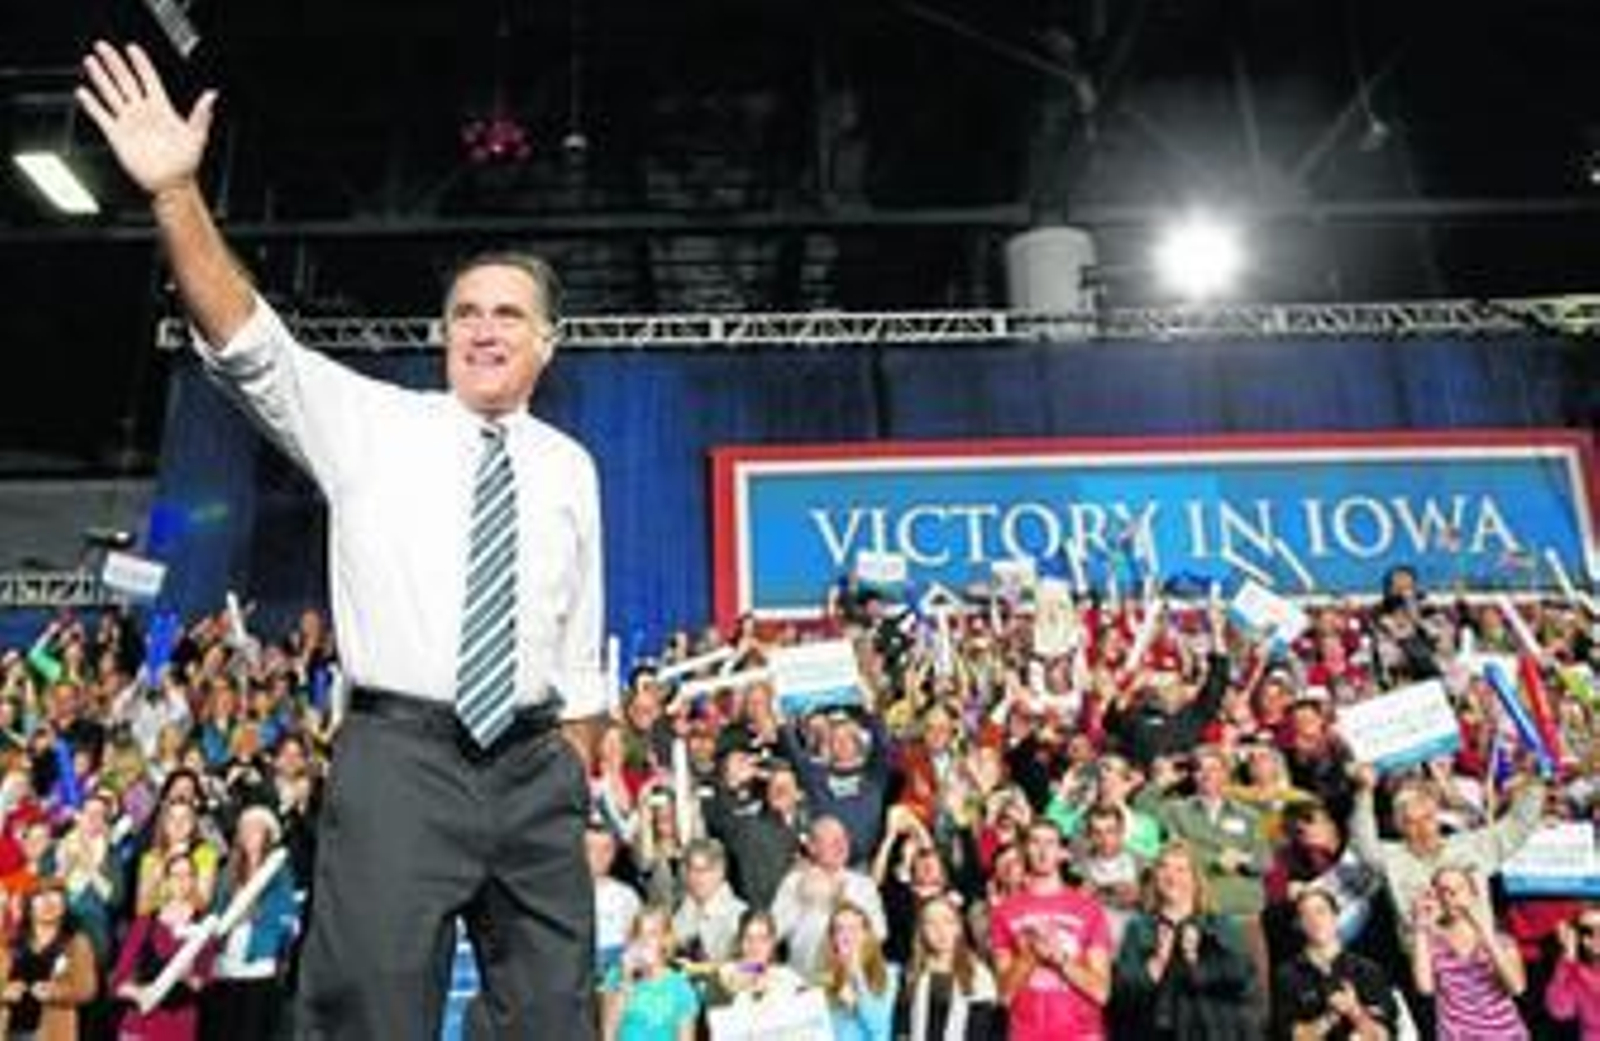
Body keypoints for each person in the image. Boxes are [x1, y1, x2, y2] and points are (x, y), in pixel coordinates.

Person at [79, 40, 606, 1039]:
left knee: (553, 1014)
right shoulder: (371, 426)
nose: (484, 330)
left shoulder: (571, 467)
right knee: (365, 1012)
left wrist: (572, 783)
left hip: (536, 772)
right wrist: (177, 195)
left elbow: (579, 657)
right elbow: (247, 342)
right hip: (401, 763)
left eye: (508, 314)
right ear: (443, 332)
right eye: (465, 313)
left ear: (548, 340)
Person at [990, 818, 1114, 1040]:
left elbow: (1102, 993)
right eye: (1035, 842)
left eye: (1050, 843)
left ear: (1061, 852)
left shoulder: (1089, 908)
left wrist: (1061, 960)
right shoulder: (1004, 912)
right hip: (1026, 1033)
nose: (1043, 851)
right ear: (1024, 850)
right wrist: (1032, 954)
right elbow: (1004, 995)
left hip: (1081, 1033)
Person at [1410, 865, 1529, 1040]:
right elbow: (1425, 988)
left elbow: (1516, 988)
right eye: (1443, 890)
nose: (1451, 896)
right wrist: (1420, 926)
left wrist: (1483, 931)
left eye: (1458, 888)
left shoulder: (1500, 940)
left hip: (1504, 1034)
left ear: (1473, 894)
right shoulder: (1431, 941)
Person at [1270, 888, 1397, 1041]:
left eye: (1321, 911)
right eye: (1306, 915)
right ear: (1299, 924)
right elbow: (1293, 1036)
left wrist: (1354, 1011)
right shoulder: (1287, 974)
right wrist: (1330, 1017)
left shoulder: (1367, 970)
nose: (1315, 920)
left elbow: (1381, 1037)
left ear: (1335, 916)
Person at [0, 879, 99, 1041]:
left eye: (54, 897)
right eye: (39, 897)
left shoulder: (76, 942)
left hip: (52, 1032)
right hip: (8, 1031)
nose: (48, 903)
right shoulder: (9, 943)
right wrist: (4, 992)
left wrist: (54, 991)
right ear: (29, 906)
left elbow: (87, 989)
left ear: (64, 905)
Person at [897, 893, 1000, 1041]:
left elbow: (980, 1033)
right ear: (921, 931)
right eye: (931, 923)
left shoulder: (978, 974)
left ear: (958, 927)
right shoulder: (912, 972)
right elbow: (903, 1028)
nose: (940, 930)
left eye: (948, 921)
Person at [599, 906, 700, 1041]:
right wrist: (626, 978)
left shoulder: (680, 987)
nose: (644, 941)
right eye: (640, 934)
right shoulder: (616, 976)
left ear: (665, 940)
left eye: (653, 934)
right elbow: (608, 1033)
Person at [822, 901, 898, 1041]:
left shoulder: (890, 973)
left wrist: (857, 973)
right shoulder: (827, 979)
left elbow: (879, 1029)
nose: (847, 936)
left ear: (866, 934)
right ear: (833, 939)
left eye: (854, 928)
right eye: (839, 929)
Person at [1545, 906, 1600, 1040]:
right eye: (1587, 931)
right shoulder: (1574, 971)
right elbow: (1560, 1011)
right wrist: (1568, 957)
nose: (1597, 937)